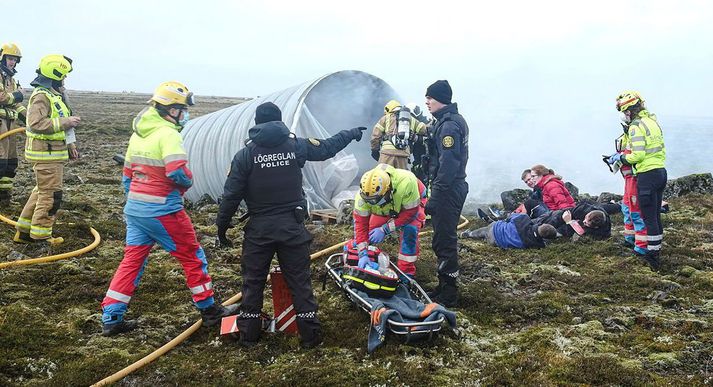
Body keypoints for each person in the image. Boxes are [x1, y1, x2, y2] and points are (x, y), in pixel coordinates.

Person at [216, 101, 366, 348]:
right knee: (300, 283)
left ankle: (249, 337)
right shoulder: (296, 145)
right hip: (292, 228)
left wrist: (222, 230)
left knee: (252, 283)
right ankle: (311, 337)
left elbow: (231, 196)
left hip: (259, 232)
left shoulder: (245, 156)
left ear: (256, 123)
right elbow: (327, 148)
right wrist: (349, 134)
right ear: (279, 120)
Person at [101, 81, 237, 336]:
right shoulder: (169, 134)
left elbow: (127, 177)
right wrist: (188, 181)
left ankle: (111, 317)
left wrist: (139, 197)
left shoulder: (139, 134)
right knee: (193, 256)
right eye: (182, 109)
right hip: (164, 211)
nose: (185, 114)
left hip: (136, 210)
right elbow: (177, 171)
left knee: (131, 262)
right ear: (171, 110)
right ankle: (209, 311)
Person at [13, 54, 80, 245]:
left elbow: (60, 127)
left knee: (41, 192)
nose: (65, 80)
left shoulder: (53, 95)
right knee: (51, 195)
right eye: (63, 76)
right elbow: (35, 123)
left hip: (53, 152)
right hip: (45, 154)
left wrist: (70, 145)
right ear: (55, 75)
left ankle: (24, 231)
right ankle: (41, 236)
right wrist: (66, 121)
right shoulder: (42, 96)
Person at [422, 80, 469, 307]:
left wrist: (436, 196)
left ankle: (448, 292)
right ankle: (443, 285)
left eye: (430, 98)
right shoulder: (447, 122)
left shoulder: (449, 126)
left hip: (449, 189)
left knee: (444, 239)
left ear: (440, 99)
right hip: (450, 187)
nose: (427, 101)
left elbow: (449, 164)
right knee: (442, 237)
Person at [607, 91, 667, 269]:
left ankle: (652, 255)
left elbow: (637, 155)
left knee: (648, 217)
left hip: (646, 175)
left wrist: (619, 158)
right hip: (660, 172)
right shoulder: (651, 121)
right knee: (655, 216)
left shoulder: (635, 126)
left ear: (628, 110)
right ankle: (655, 249)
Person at [353, 164, 427, 276]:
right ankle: (363, 258)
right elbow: (360, 226)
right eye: (370, 201)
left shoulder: (407, 183)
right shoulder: (362, 198)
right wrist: (362, 254)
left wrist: (385, 229)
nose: (372, 203)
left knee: (410, 231)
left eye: (376, 200)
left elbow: (410, 213)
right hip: (388, 207)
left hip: (411, 205)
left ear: (388, 190)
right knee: (368, 234)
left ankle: (406, 274)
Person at [611, 130, 648, 256]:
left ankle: (641, 247)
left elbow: (635, 158)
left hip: (634, 179)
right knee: (626, 209)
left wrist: (621, 158)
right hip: (628, 180)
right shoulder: (629, 135)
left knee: (636, 213)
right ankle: (629, 239)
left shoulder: (636, 135)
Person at [0, 43, 27, 202]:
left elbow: (16, 105)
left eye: (15, 60)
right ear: (3, 58)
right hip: (1, 123)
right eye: (10, 59)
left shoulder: (11, 79)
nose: (13, 63)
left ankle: (4, 199)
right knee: (0, 161)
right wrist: (17, 95)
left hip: (11, 124)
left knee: (10, 163)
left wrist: (30, 119)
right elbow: (2, 97)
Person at [370, 99, 427, 169]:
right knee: (400, 177)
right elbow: (423, 129)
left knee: (383, 177)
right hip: (403, 154)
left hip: (387, 153)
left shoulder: (385, 118)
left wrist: (374, 150)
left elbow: (376, 135)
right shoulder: (410, 119)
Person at [460, 213, 557, 249]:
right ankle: (490, 224)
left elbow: (510, 217)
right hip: (497, 243)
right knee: (490, 234)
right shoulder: (537, 244)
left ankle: (468, 234)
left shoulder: (524, 219)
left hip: (494, 229)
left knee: (487, 229)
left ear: (541, 224)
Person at [533, 201, 610, 240]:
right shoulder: (584, 209)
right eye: (585, 218)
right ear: (588, 213)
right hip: (557, 215)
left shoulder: (602, 232)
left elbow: (581, 233)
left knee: (558, 234)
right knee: (543, 220)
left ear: (595, 227)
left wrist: (569, 222)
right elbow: (564, 213)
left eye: (587, 223)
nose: (584, 221)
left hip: (568, 224)